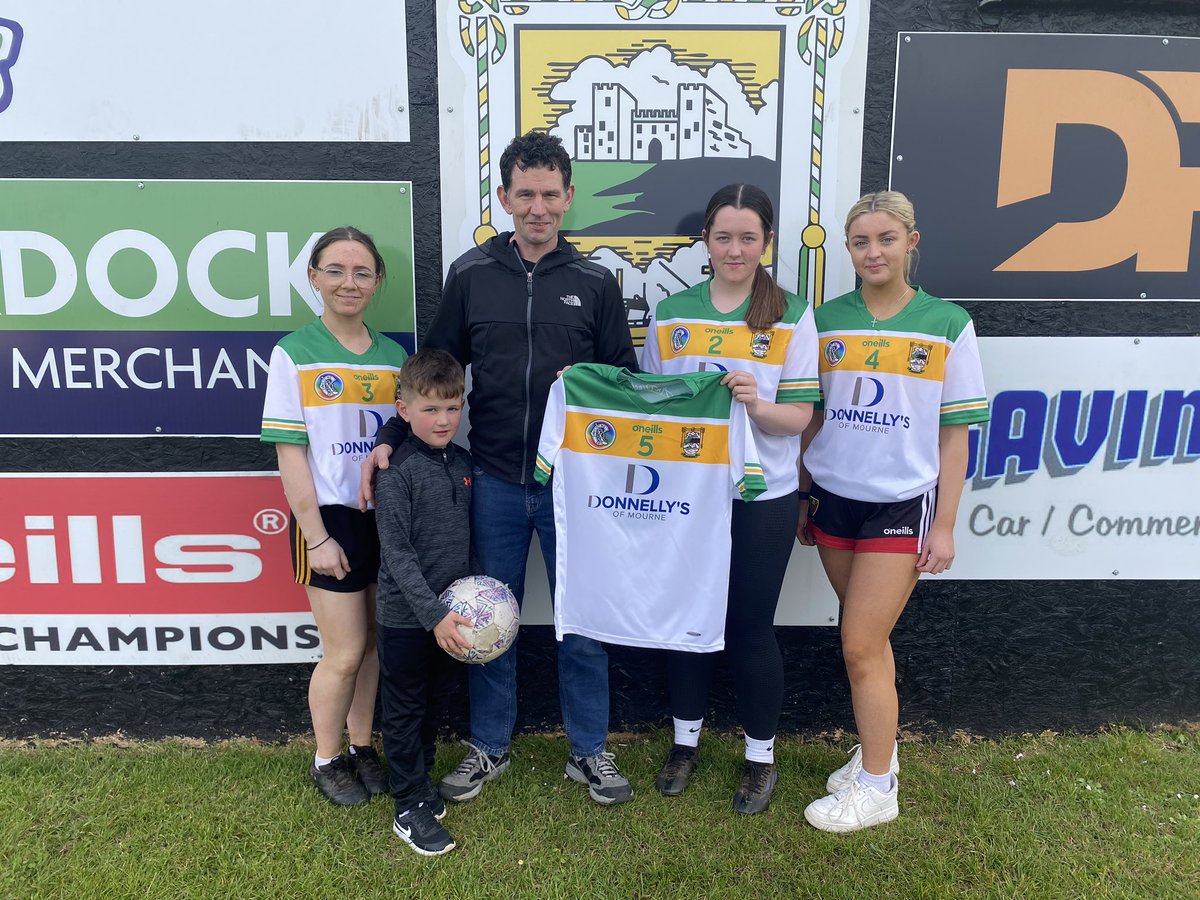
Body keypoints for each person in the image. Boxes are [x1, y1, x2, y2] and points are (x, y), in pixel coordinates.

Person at [360, 131, 639, 805]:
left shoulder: (598, 281)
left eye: (550, 195)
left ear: (569, 198)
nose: (538, 208)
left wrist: (595, 378)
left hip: (575, 486)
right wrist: (393, 433)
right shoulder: (472, 275)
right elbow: (436, 371)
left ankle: (590, 751)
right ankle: (489, 747)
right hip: (488, 481)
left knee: (582, 624)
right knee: (488, 615)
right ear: (504, 197)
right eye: (525, 194)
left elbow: (627, 384)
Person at [797, 191, 989, 832]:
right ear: (846, 249)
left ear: (913, 241)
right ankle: (878, 753)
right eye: (860, 241)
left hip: (899, 506)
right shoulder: (825, 321)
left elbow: (954, 434)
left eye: (885, 238)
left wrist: (945, 523)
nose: (872, 252)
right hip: (832, 500)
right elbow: (812, 415)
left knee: (858, 644)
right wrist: (803, 490)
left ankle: (877, 788)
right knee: (870, 645)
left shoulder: (946, 323)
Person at [641, 183, 818, 814]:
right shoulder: (674, 312)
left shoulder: (791, 314)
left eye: (748, 237)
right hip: (688, 495)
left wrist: (756, 402)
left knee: (746, 626)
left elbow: (799, 417)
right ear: (706, 241)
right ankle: (685, 742)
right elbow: (649, 406)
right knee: (688, 619)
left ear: (766, 242)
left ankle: (759, 756)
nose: (735, 249)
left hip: (761, 496)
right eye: (723, 237)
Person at [260, 226, 406, 806]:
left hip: (382, 519)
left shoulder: (396, 356)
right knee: (343, 651)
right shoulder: (294, 353)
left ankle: (363, 745)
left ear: (377, 282)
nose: (350, 282)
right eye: (336, 270)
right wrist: (315, 536)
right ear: (314, 277)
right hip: (329, 523)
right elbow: (290, 453)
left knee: (372, 645)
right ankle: (327, 757)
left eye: (362, 272)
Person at [374, 349, 477, 856]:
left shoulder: (462, 463)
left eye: (452, 408)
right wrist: (432, 615)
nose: (443, 420)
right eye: (430, 409)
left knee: (436, 703)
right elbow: (395, 552)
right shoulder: (397, 470)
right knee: (405, 709)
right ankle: (408, 804)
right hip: (407, 619)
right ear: (404, 409)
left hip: (449, 618)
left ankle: (421, 780)